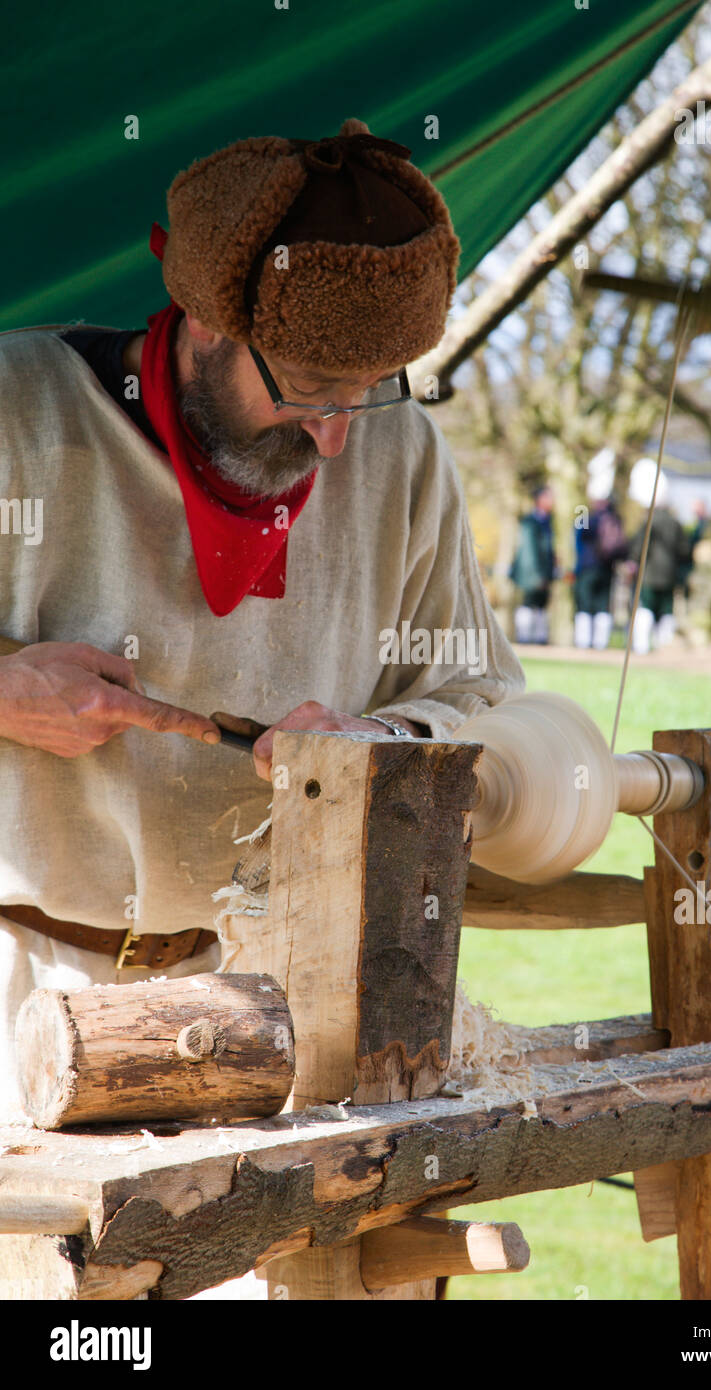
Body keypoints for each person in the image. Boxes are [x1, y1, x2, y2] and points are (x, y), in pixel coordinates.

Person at [0, 119, 526, 1121]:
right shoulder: (16, 409)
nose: (334, 439)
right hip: (13, 987)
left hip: (265, 1012)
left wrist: (378, 742)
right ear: (204, 323)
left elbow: (484, 697)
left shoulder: (399, 457)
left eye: (366, 393)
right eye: (309, 389)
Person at [628, 473, 691, 654]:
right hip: (669, 574)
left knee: (646, 607)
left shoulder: (649, 522)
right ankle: (664, 646)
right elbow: (684, 550)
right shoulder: (676, 523)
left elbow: (639, 547)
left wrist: (633, 561)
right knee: (666, 610)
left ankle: (641, 645)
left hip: (649, 574)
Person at [572, 490, 628, 650]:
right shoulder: (614, 517)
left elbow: (578, 537)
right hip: (607, 567)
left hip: (587, 567)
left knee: (584, 604)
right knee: (603, 605)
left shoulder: (584, 514)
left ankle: (583, 642)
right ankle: (600, 642)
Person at [509, 485, 557, 643]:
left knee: (541, 606)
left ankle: (539, 638)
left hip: (543, 573)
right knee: (528, 604)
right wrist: (536, 575)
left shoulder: (548, 521)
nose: (552, 501)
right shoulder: (529, 522)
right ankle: (524, 638)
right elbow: (529, 551)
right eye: (549, 497)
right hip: (530, 573)